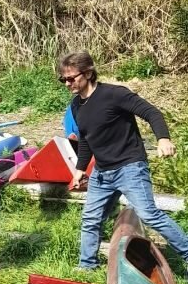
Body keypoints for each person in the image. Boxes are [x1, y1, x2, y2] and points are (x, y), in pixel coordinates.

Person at [60, 51, 188, 271]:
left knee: (149, 215)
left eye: (72, 78)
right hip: (102, 172)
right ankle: (87, 266)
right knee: (91, 219)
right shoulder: (76, 105)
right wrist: (80, 169)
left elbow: (151, 112)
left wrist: (163, 139)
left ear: (88, 73)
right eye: (63, 79)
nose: (67, 83)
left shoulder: (114, 94)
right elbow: (86, 140)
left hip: (130, 167)